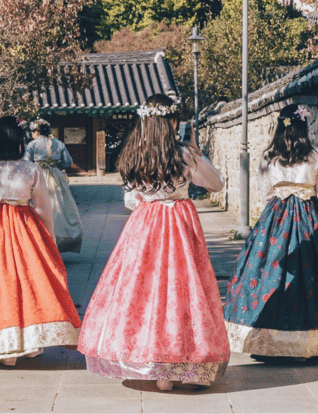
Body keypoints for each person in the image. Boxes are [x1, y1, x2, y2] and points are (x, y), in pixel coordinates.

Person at [78, 94, 230, 391]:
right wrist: (199, 155)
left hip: (144, 225)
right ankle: (175, 365)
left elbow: (129, 198)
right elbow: (216, 184)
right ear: (173, 121)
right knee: (180, 292)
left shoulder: (135, 153)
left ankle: (155, 365)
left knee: (145, 292)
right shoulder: (185, 154)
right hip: (178, 227)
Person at [223, 103, 318, 359]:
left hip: (275, 217)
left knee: (270, 272)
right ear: (303, 126)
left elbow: (266, 192)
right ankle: (312, 342)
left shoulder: (268, 156)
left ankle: (270, 339)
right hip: (310, 216)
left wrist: (272, 217)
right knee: (314, 277)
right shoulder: (316, 154)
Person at [0, 116, 81, 365]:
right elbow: (43, 208)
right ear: (20, 140)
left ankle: (3, 348)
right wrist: (48, 238)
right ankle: (29, 344)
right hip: (25, 228)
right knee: (28, 282)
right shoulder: (30, 169)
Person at [24, 119, 83, 253]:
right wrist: (56, 163)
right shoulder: (59, 143)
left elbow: (26, 163)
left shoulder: (32, 145)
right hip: (56, 177)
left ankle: (42, 242)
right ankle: (62, 238)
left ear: (37, 132)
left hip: (39, 176)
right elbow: (68, 161)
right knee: (60, 207)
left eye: (33, 132)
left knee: (40, 207)